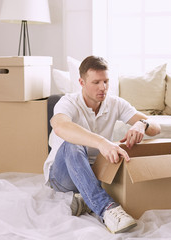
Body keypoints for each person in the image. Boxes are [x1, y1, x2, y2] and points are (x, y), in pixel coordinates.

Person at [43, 56, 161, 234]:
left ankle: (85, 197)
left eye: (106, 81)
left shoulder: (115, 103)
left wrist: (141, 124)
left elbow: (156, 128)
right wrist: (102, 142)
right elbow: (60, 126)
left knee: (122, 158)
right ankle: (107, 209)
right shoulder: (68, 102)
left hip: (96, 170)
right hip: (62, 174)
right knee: (72, 144)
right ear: (81, 82)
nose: (103, 87)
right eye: (96, 82)